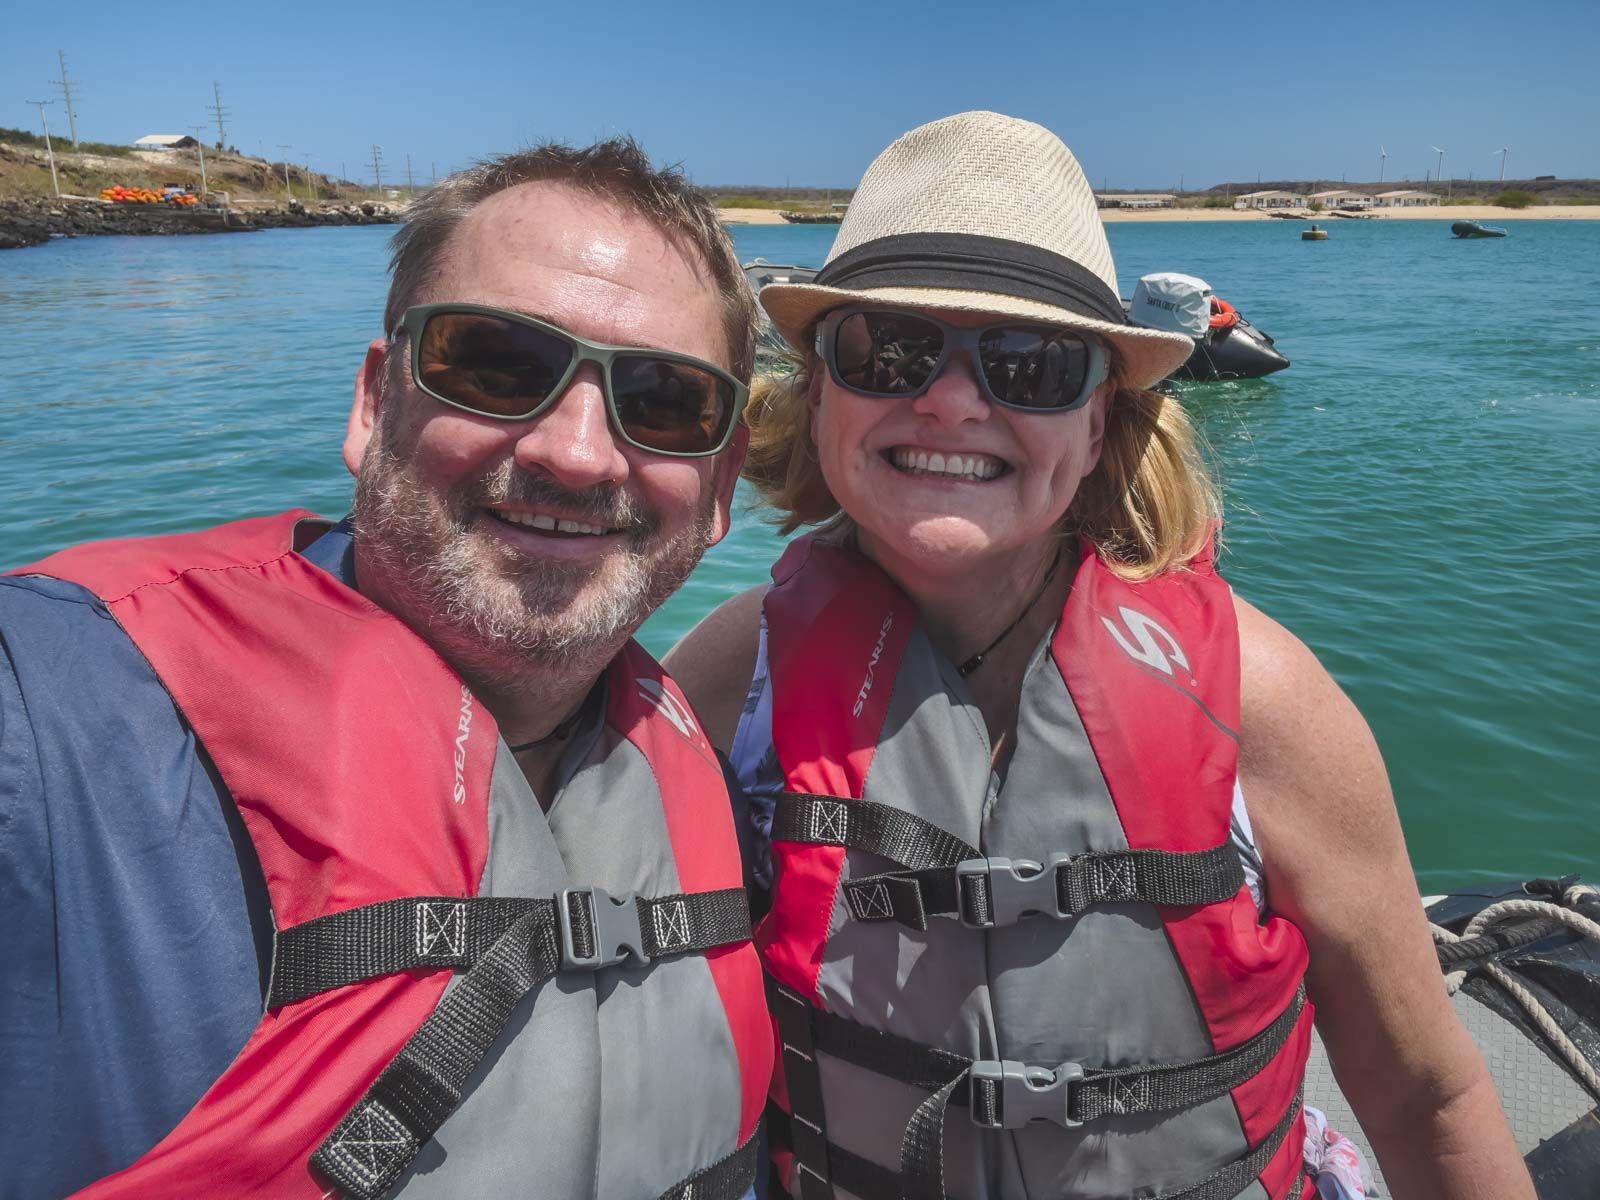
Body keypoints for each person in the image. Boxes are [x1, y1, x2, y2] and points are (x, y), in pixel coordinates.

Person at [667, 112, 1533, 1199]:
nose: (947, 398)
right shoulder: (723, 679)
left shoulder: (1256, 701)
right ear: (821, 391)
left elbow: (1422, 1094)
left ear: (1097, 425)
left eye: (1029, 365)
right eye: (887, 348)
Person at [0, 139, 771, 1199]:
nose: (578, 452)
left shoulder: (708, 772)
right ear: (373, 404)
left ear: (721, 483)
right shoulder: (58, 714)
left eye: (667, 401)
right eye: (497, 364)